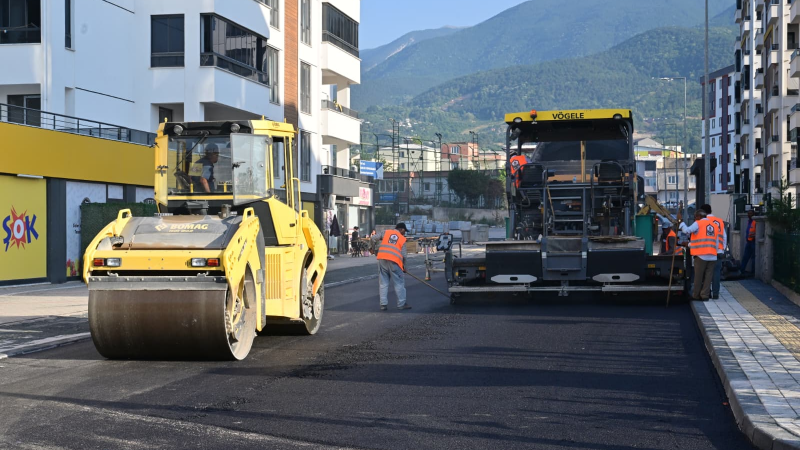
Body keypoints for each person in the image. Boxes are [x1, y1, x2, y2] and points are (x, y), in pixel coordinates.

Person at [372, 223, 410, 311]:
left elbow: (373, 238)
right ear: (402, 230)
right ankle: (401, 304)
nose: (404, 233)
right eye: (405, 231)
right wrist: (404, 267)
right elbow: (404, 255)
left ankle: (383, 304)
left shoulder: (386, 232)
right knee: (399, 283)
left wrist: (373, 249)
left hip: (382, 259)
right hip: (394, 262)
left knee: (383, 283)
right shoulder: (402, 238)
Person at [680, 210, 717, 301]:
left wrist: (681, 224)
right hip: (712, 255)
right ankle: (705, 295)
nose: (694, 219)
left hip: (701, 255)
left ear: (698, 216)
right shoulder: (714, 225)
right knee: (708, 277)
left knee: (698, 276)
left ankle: (696, 295)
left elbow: (687, 231)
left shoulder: (698, 223)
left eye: (695, 217)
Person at [701, 204, 727, 299]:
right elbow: (724, 236)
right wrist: (722, 249)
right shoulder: (719, 221)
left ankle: (707, 292)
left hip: (706, 251)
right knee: (716, 273)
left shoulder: (702, 222)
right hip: (718, 251)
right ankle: (715, 293)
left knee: (706, 273)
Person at [740, 210, 756, 276]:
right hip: (749, 241)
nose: (749, 215)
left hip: (753, 241)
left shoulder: (755, 222)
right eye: (748, 213)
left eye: (751, 213)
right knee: (745, 257)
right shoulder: (749, 221)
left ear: (753, 214)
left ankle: (753, 272)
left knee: (753, 258)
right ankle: (741, 270)